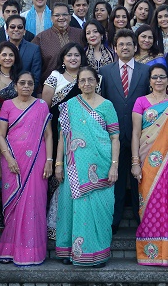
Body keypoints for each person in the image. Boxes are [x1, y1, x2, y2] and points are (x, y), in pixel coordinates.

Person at [54, 66, 120, 267]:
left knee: (100, 210)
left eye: (90, 80)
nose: (86, 84)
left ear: (97, 82)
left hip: (102, 166)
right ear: (78, 83)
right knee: (70, 208)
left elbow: (115, 137)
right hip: (74, 167)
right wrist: (58, 164)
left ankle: (97, 253)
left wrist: (114, 166)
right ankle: (68, 251)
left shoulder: (107, 105)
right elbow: (63, 138)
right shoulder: (69, 106)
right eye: (82, 81)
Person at [130, 63, 168, 266]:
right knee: (148, 204)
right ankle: (150, 252)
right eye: (154, 77)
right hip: (148, 161)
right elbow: (136, 134)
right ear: (149, 81)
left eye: (162, 77)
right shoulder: (140, 102)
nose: (158, 80)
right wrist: (135, 163)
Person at [0, 71, 53, 266]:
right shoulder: (7, 105)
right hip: (12, 162)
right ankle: (10, 249)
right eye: (22, 83)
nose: (26, 86)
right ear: (15, 86)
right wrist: (8, 158)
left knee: (34, 203)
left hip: (37, 160)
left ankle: (32, 251)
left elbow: (48, 135)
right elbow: (0, 135)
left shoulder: (41, 106)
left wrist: (49, 160)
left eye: (30, 83)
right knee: (13, 205)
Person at [99, 29, 150, 230]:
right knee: (117, 181)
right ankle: (114, 222)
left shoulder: (145, 71)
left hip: (141, 136)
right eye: (121, 44)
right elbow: (102, 103)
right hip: (115, 136)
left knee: (140, 180)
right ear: (115, 47)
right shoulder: (105, 71)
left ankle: (142, 221)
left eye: (129, 44)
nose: (125, 47)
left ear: (135, 47)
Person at [42, 42, 86, 239]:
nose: (73, 58)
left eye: (76, 55)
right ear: (63, 58)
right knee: (57, 176)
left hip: (83, 135)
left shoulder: (89, 78)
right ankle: (53, 224)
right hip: (56, 132)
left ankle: (76, 220)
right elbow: (46, 107)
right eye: (69, 55)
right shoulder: (55, 77)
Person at [35, 3, 84, 81]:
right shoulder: (41, 38)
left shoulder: (81, 34)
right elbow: (35, 67)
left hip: (80, 84)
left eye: (64, 14)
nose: (61, 18)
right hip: (50, 86)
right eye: (57, 15)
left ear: (70, 17)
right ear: (51, 18)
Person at [0, 15, 42, 81]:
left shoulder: (34, 49)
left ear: (24, 31)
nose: (16, 29)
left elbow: (36, 77)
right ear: (6, 30)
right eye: (12, 27)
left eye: (20, 27)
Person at [0, 41, 22, 110]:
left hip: (20, 116)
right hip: (0, 118)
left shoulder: (20, 76)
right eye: (4, 55)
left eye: (11, 55)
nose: (8, 58)